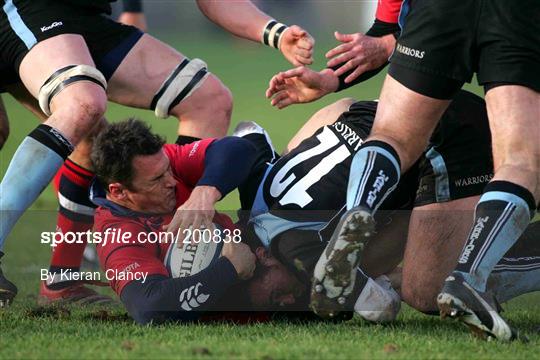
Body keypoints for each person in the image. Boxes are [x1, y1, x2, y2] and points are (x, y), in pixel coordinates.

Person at [0, 0, 314, 307]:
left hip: (83, 16)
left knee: (208, 100)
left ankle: (164, 256)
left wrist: (274, 32)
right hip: (26, 8)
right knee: (83, 103)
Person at [269, 0, 540, 341]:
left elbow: (385, 30)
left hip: (435, 13)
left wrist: (342, 72)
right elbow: (382, 38)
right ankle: (468, 278)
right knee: (519, 162)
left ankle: (359, 208)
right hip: (514, 15)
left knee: (392, 136)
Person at [237, 93, 540, 325]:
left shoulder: (295, 251)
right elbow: (247, 128)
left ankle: (478, 266)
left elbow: (382, 307)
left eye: (278, 295)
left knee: (425, 290)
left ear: (261, 255)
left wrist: (387, 281)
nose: (290, 300)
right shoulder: (256, 195)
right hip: (405, 103)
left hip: (444, 141)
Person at [89, 118, 260, 324]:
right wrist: (230, 268)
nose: (172, 181)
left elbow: (240, 149)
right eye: (157, 180)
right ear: (119, 191)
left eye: (168, 169)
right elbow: (150, 307)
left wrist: (204, 192)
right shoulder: (117, 234)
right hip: (237, 293)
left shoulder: (159, 162)